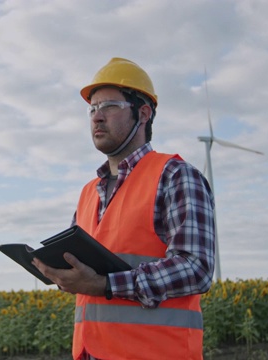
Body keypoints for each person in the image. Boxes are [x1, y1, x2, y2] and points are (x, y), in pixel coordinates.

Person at [32, 58, 215, 360]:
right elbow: (85, 274)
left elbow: (196, 268)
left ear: (143, 114)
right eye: (92, 109)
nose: (97, 117)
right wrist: (61, 273)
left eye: (110, 106)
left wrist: (104, 284)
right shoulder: (88, 192)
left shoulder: (175, 175)